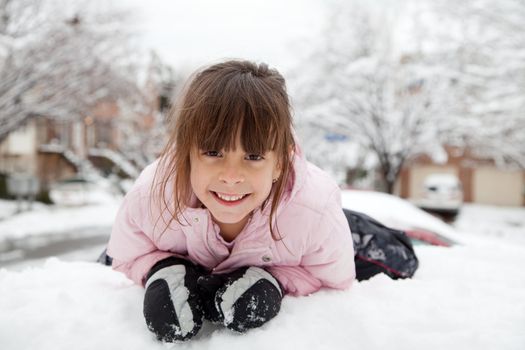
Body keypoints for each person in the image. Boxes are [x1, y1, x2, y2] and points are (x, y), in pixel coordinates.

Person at [106, 60, 355, 342]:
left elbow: (334, 280)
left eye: (253, 156)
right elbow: (126, 256)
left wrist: (275, 280)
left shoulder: (315, 214)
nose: (232, 176)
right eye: (213, 152)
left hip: (302, 224)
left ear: (280, 163)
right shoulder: (151, 199)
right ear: (187, 152)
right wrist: (159, 268)